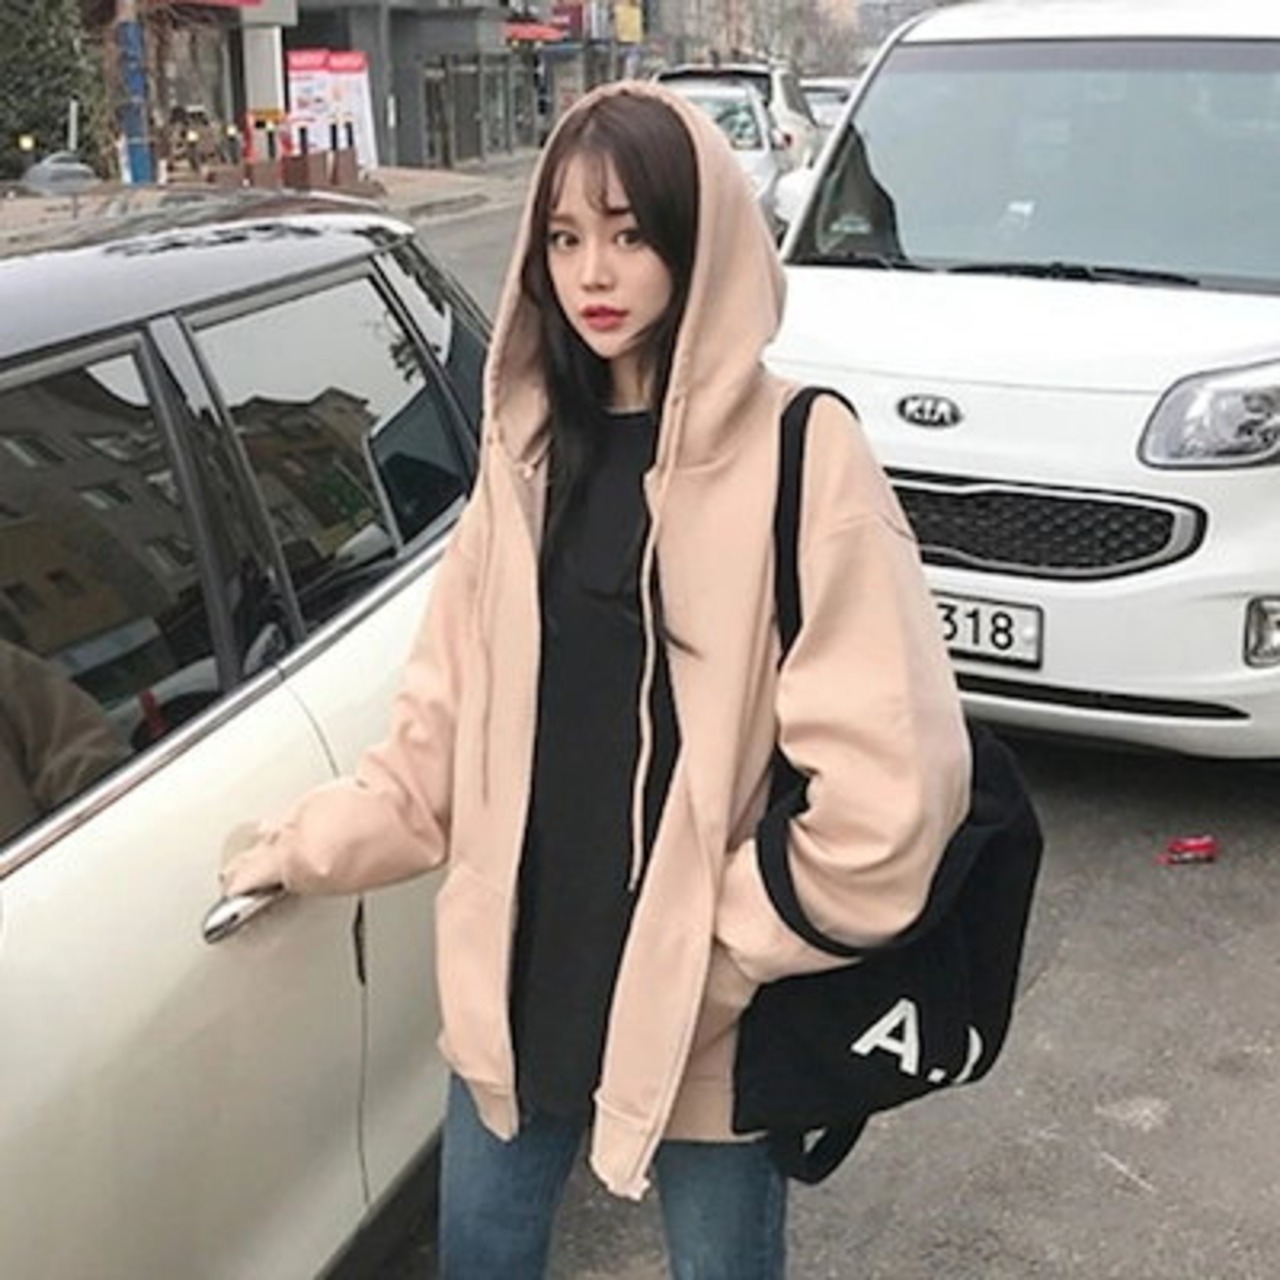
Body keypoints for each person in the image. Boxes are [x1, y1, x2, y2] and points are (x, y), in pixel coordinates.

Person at [221, 80, 971, 1278]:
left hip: (705, 1004)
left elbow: (893, 787)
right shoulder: (525, 452)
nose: (593, 274)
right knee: (481, 1252)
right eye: (565, 239)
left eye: (627, 234)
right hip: (520, 974)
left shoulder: (801, 452)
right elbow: (438, 725)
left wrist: (725, 946)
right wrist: (303, 844)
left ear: (694, 237)